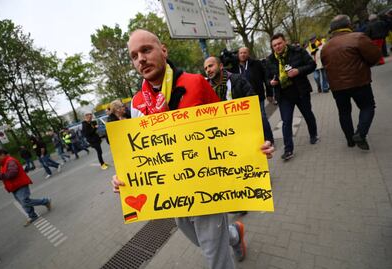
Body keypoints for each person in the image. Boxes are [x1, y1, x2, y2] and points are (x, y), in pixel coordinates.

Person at [112, 29, 275, 269]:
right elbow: (140, 154)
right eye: (134, 56)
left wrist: (254, 148)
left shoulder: (196, 83)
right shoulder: (136, 104)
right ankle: (234, 234)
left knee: (213, 253)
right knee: (198, 238)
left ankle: (227, 239)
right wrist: (123, 177)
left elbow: (228, 128)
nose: (141, 59)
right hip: (175, 192)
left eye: (146, 50)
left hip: (209, 184)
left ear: (164, 50)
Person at [321, 15, 381, 150]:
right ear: (348, 25)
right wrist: (367, 65)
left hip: (337, 87)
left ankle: (350, 140)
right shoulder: (358, 38)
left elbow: (325, 65)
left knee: (344, 113)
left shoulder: (325, 47)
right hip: (359, 82)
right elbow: (375, 56)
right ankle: (360, 133)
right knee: (367, 107)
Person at [265, 33, 319, 161]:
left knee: (307, 114)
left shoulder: (297, 51)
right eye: (274, 45)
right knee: (286, 121)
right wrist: (271, 83)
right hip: (284, 95)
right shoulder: (270, 60)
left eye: (279, 43)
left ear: (285, 42)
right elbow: (267, 78)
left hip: (300, 91)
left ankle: (313, 134)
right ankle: (288, 149)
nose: (277, 47)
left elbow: (312, 65)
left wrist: (298, 71)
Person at [0, 149, 51, 226]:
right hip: (14, 186)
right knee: (23, 202)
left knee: (25, 201)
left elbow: (12, 173)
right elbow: (5, 176)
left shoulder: (10, 161)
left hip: (20, 184)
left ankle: (45, 201)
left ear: (2, 155)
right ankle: (32, 216)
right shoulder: (3, 164)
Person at [231, 47, 275, 144]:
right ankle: (257, 140)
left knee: (262, 118)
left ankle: (269, 140)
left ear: (248, 53)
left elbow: (266, 78)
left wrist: (269, 93)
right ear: (238, 55)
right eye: (241, 53)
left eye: (245, 53)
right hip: (243, 100)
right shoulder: (234, 67)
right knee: (249, 121)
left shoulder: (256, 64)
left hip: (257, 96)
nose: (243, 54)